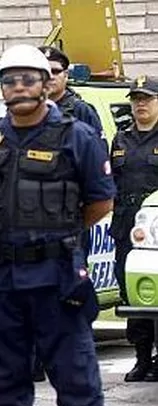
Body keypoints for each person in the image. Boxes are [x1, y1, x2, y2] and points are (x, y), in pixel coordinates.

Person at [0, 44, 112, 406]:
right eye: (10, 80)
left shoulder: (76, 136)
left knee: (75, 373)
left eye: (29, 78)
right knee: (5, 376)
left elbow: (100, 201)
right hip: (2, 276)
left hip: (56, 275)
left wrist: (55, 236)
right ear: (2, 88)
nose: (20, 87)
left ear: (46, 83)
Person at [32, 46, 107, 383]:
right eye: (42, 71)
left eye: (55, 71)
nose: (49, 78)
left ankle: (72, 359)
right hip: (31, 222)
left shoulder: (81, 112)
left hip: (69, 222)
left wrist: (75, 221)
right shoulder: (20, 113)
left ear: (66, 74)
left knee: (70, 291)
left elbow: (97, 179)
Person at [110, 75, 158, 382]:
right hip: (127, 224)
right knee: (131, 295)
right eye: (136, 99)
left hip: (155, 227)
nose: (140, 104)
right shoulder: (121, 138)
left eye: (147, 99)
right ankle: (141, 357)